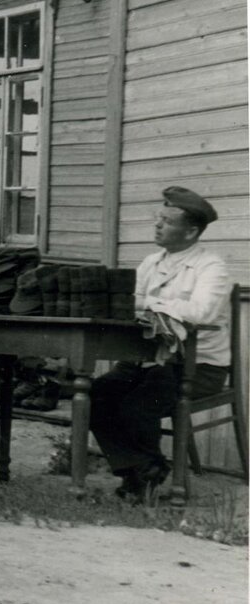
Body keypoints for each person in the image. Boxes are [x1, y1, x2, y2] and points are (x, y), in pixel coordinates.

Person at [90, 187, 231, 501]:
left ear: (191, 231)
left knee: (137, 406)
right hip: (147, 359)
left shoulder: (212, 268)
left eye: (166, 221)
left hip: (198, 366)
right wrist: (151, 307)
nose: (157, 226)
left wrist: (150, 305)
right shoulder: (151, 262)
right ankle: (143, 471)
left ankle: (140, 481)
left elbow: (201, 312)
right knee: (96, 394)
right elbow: (130, 306)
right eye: (158, 219)